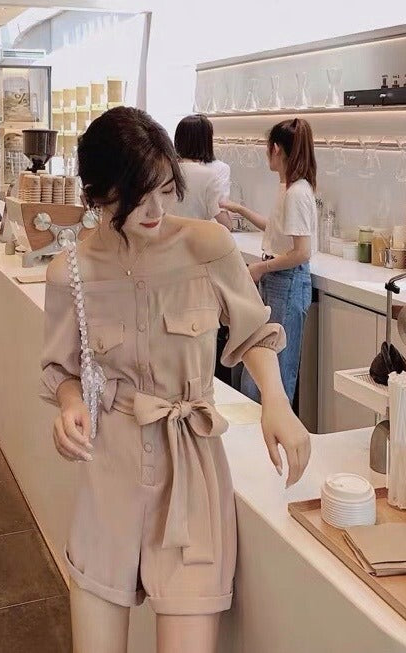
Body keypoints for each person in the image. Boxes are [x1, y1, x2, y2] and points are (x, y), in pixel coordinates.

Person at [41, 107, 310, 653]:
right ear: (96, 195)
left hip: (191, 470)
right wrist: (70, 405)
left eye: (165, 190)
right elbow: (62, 370)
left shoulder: (207, 245)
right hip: (109, 471)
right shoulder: (70, 272)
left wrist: (277, 403)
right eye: (135, 195)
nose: (155, 209)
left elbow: (254, 332)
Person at [222, 118, 317, 405]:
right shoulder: (289, 188)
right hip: (279, 281)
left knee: (273, 374)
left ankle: (272, 429)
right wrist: (240, 210)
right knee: (261, 368)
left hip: (287, 283)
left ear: (276, 149)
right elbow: (277, 231)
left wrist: (261, 268)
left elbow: (301, 252)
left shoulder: (296, 193)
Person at [171, 114, 233, 229]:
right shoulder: (216, 170)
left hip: (167, 232)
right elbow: (220, 211)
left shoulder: (166, 168)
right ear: (207, 140)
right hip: (200, 232)